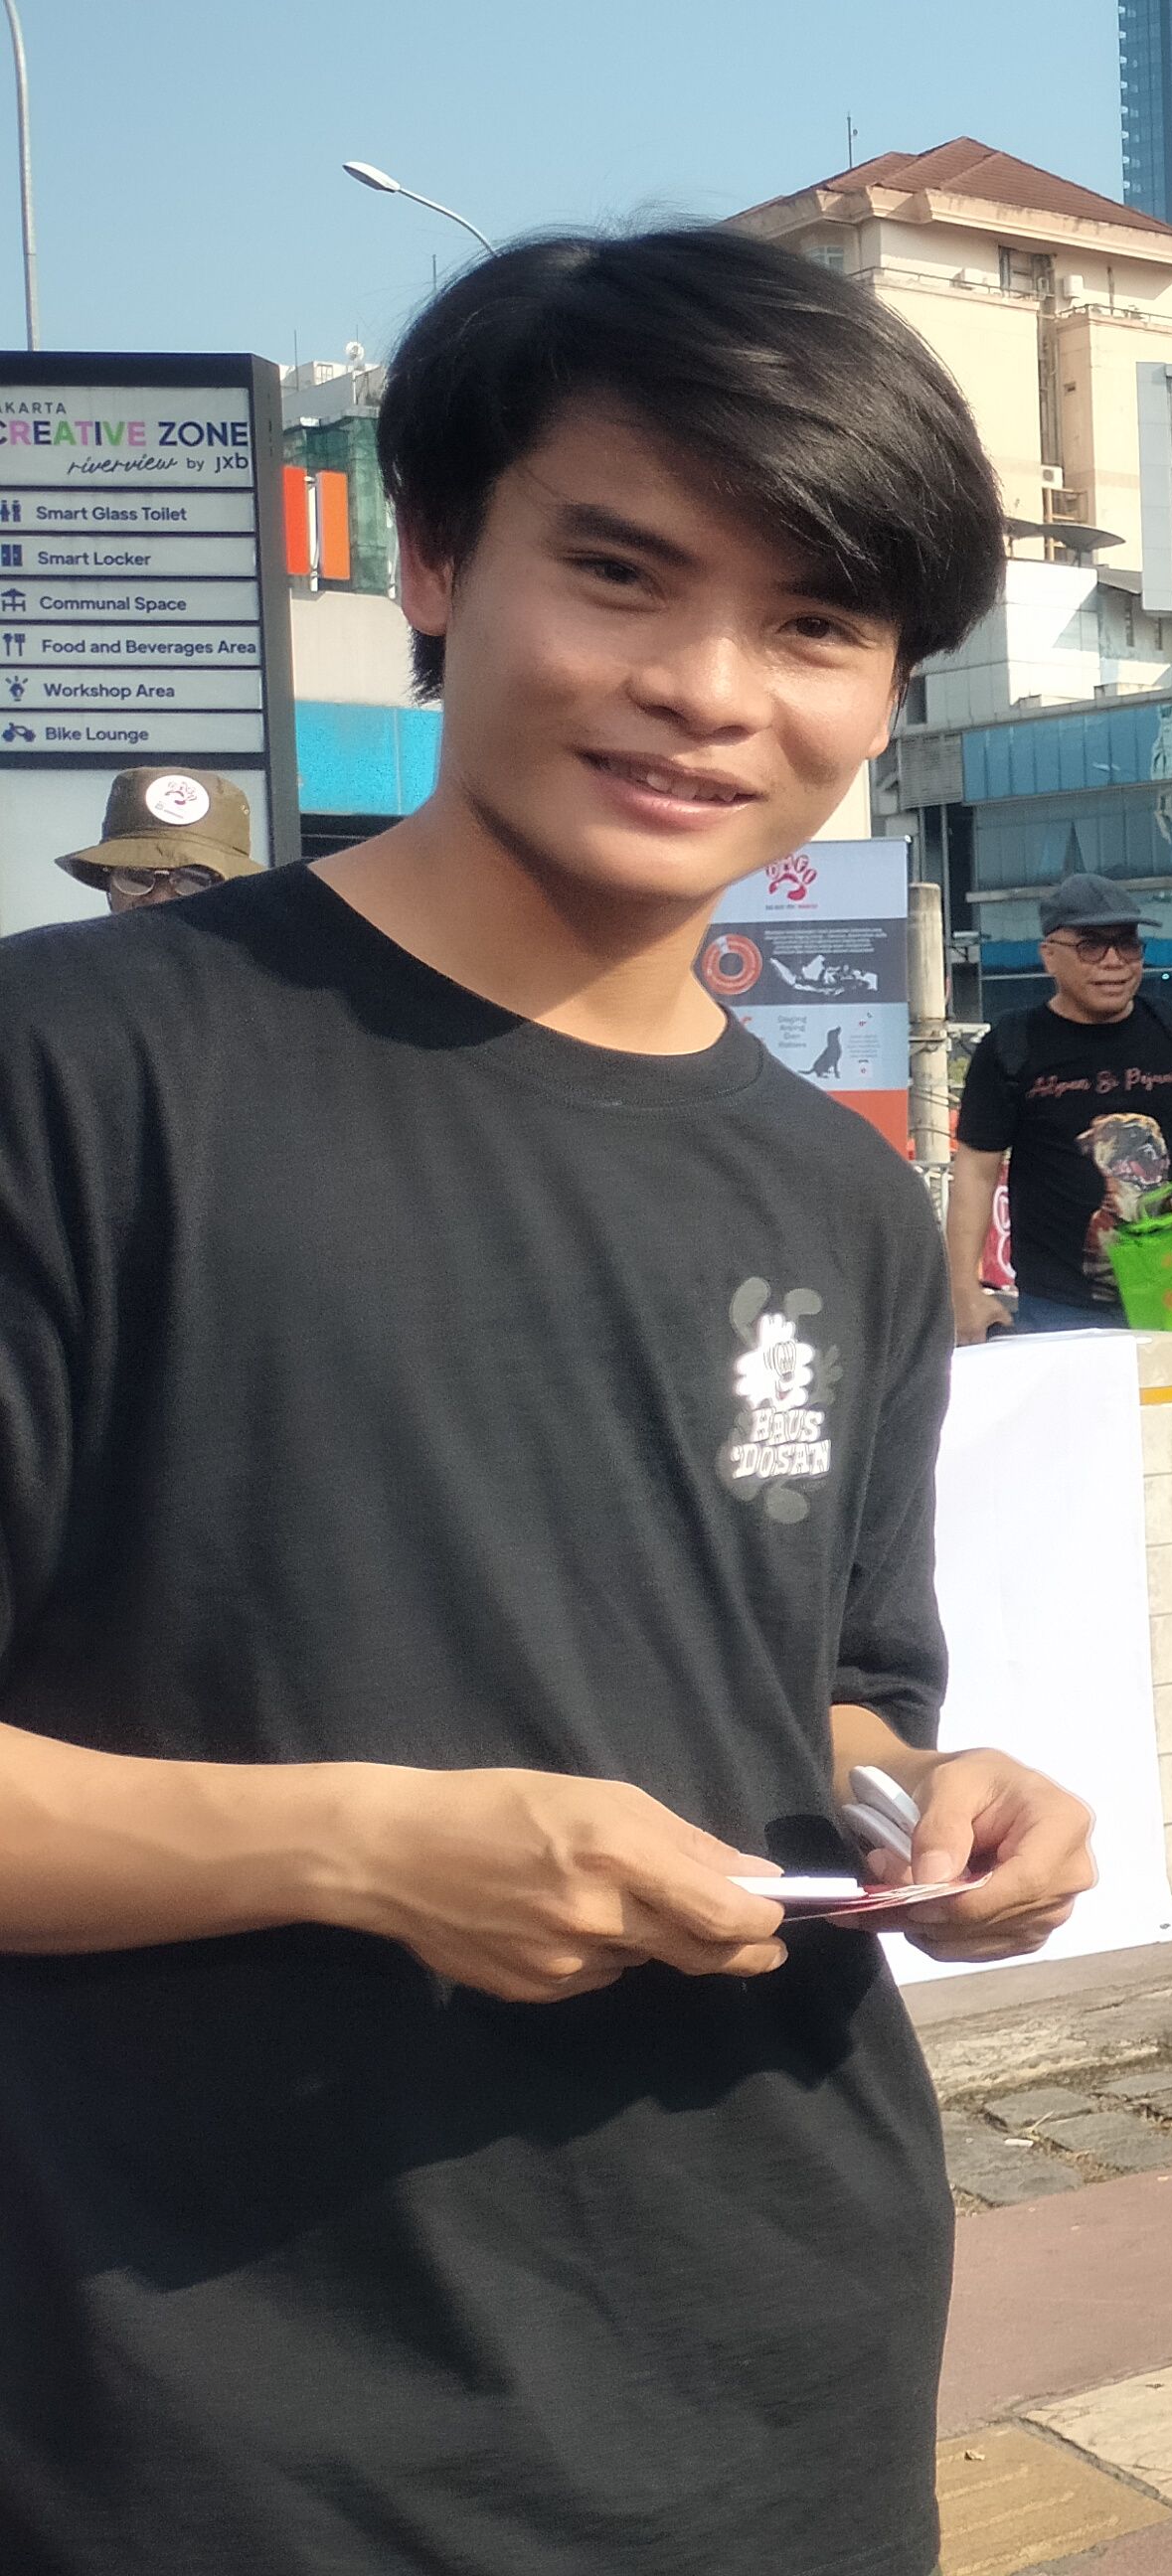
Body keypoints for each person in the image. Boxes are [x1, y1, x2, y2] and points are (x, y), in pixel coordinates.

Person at [0, 227, 1098, 2575]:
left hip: (779, 2385)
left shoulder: (834, 1194)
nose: (708, 689)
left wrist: (937, 1803)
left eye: (813, 625)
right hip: (212, 2430)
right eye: (619, 572)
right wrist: (369, 1847)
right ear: (432, 558)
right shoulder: (80, 1075)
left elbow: (799, 1698)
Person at [943, 869, 1172, 1643]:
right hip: (1058, 1304)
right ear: (1050, 954)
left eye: (1128, 943)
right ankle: (1075, 1624)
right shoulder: (1014, 1046)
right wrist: (964, 1290)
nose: (1115, 961)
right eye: (1094, 944)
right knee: (1065, 1466)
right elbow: (974, 1169)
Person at [49, 768, 256, 913]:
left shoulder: (274, 975)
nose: (159, 899)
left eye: (193, 880)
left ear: (231, 893)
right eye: (135, 876)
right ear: (109, 886)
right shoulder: (55, 972)